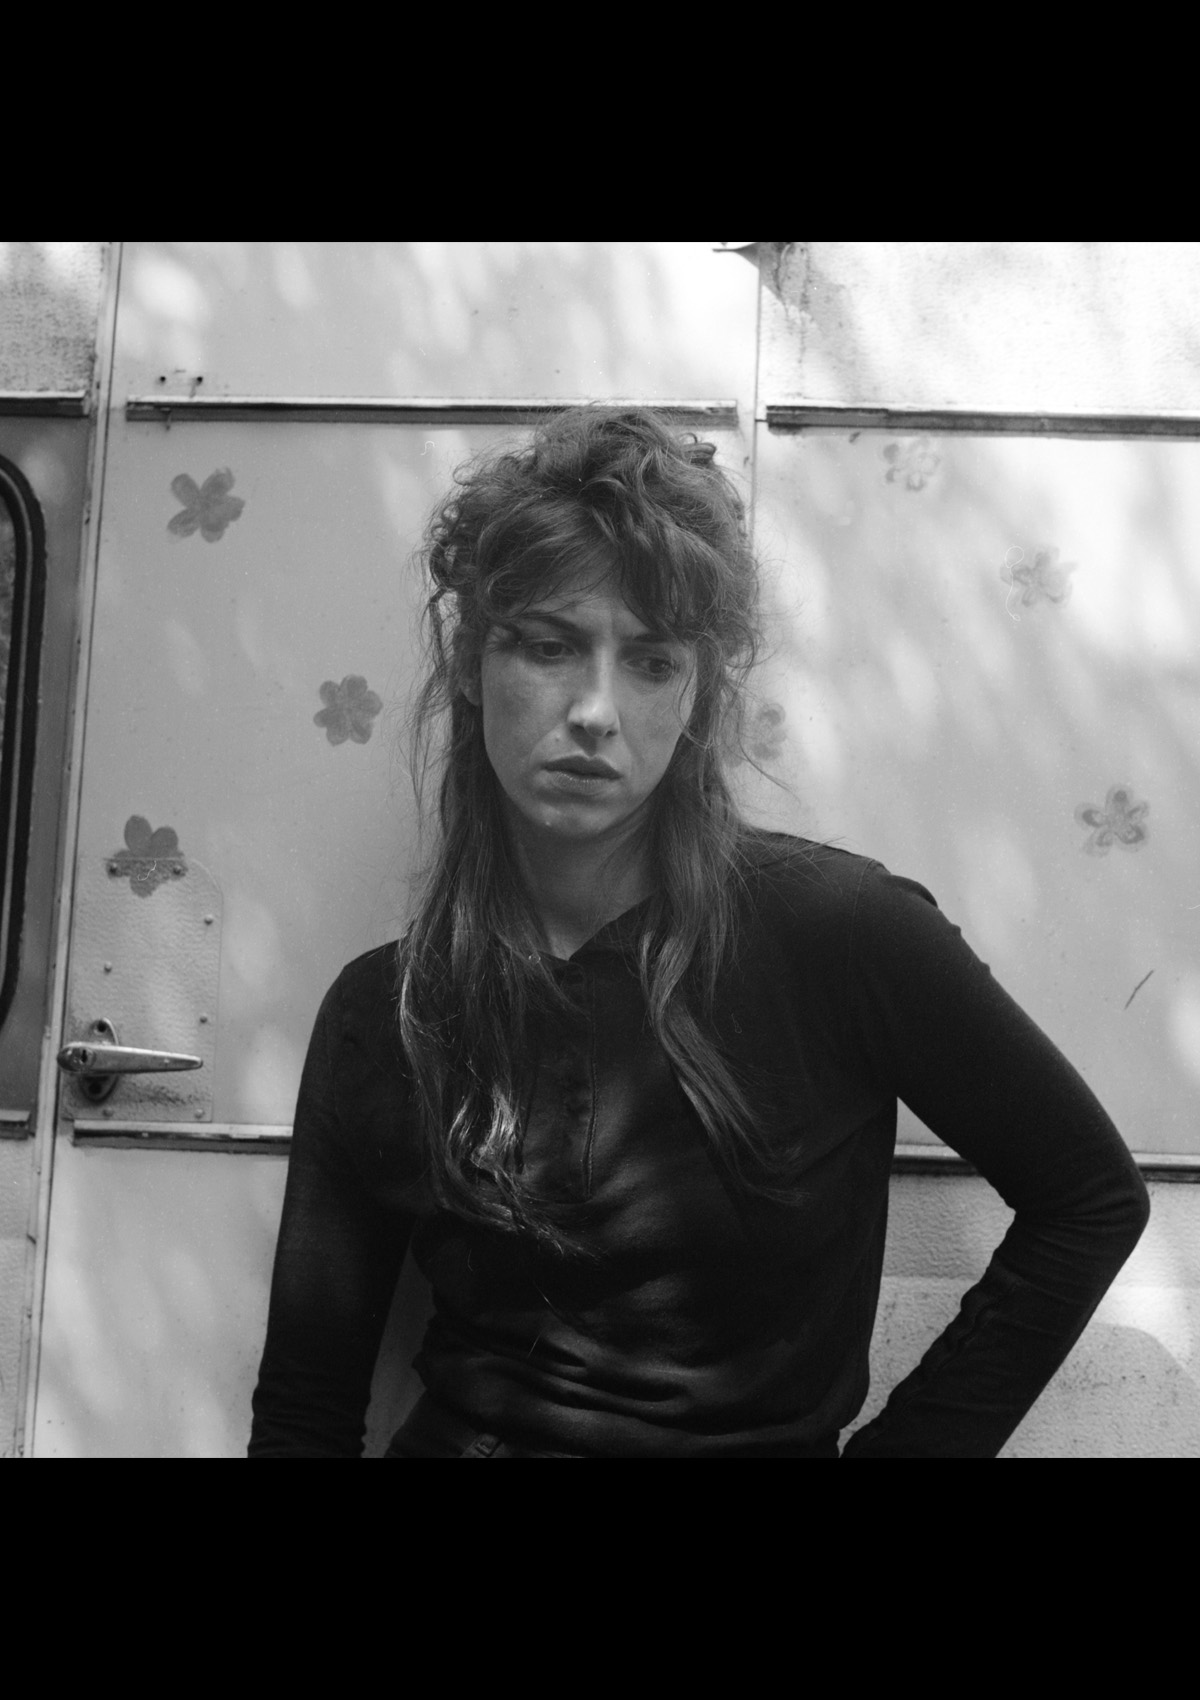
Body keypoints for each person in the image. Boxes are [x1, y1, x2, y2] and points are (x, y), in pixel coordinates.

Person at [248, 406, 1150, 1458]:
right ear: (471, 663)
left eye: (650, 661)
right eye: (550, 645)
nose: (595, 710)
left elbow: (1089, 1199)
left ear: (698, 694)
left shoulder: (842, 933)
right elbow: (307, 1407)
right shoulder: (388, 1008)